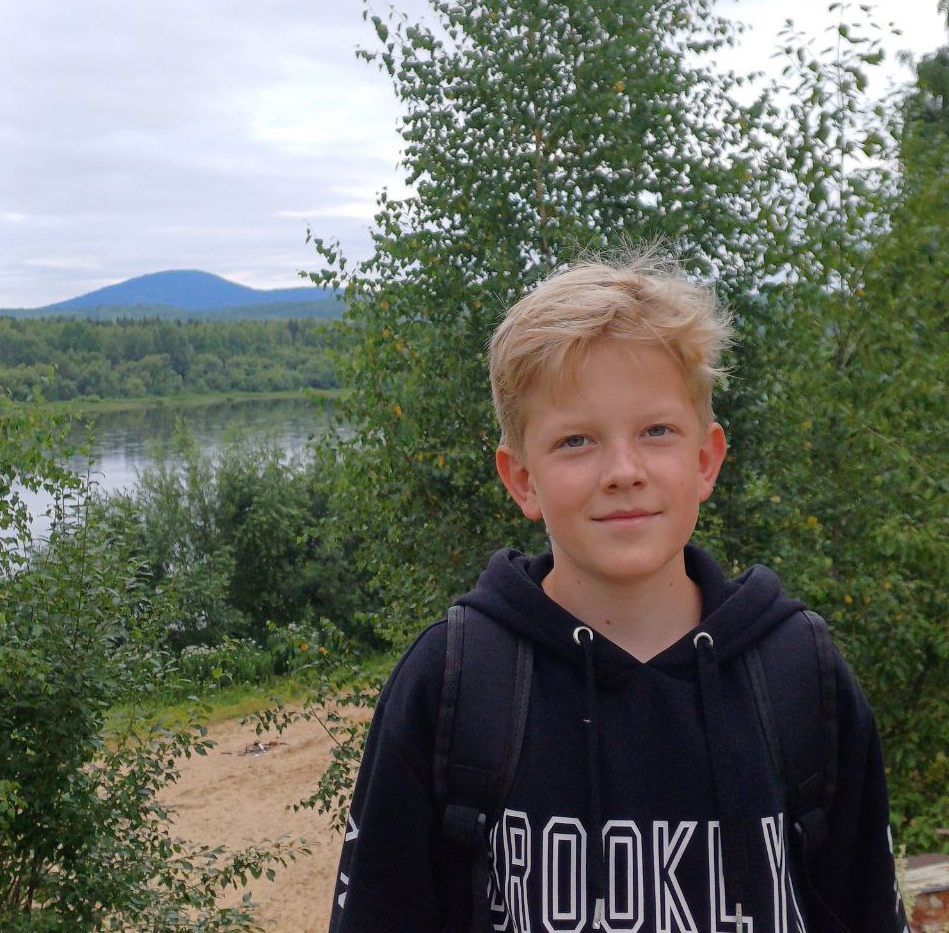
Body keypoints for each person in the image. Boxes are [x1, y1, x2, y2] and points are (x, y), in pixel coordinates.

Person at [328, 253, 909, 932]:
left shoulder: (797, 673)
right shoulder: (457, 681)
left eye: (657, 432)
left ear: (705, 460)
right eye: (576, 440)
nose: (623, 471)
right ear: (522, 480)